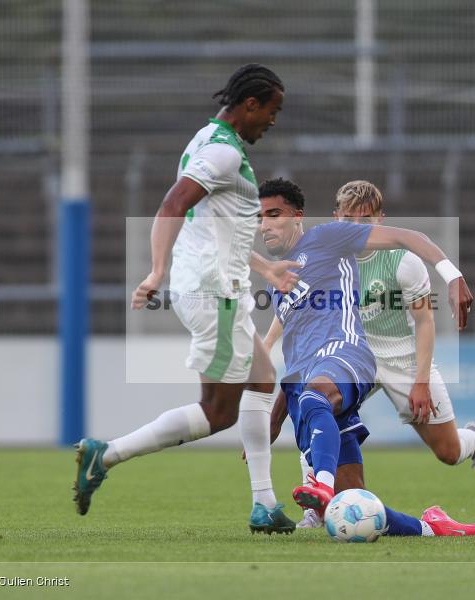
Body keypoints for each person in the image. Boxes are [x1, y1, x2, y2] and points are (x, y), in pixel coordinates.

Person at [74, 64, 299, 535]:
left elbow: (216, 226)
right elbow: (173, 205)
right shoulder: (221, 153)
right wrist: (155, 270)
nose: (273, 121)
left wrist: (266, 268)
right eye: (272, 111)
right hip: (213, 293)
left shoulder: (208, 141)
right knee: (218, 412)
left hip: (219, 287)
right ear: (250, 105)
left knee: (261, 380)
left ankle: (264, 505)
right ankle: (107, 454)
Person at [257, 178, 475, 537]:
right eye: (348, 218)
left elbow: (424, 322)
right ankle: (320, 502)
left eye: (364, 220)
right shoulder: (325, 253)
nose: (355, 227)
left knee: (448, 451)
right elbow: (293, 313)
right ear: (336, 217)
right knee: (314, 402)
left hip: (400, 361)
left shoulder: (402, 263)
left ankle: (473, 440)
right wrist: (266, 345)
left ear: (380, 219)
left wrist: (421, 381)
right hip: (350, 357)